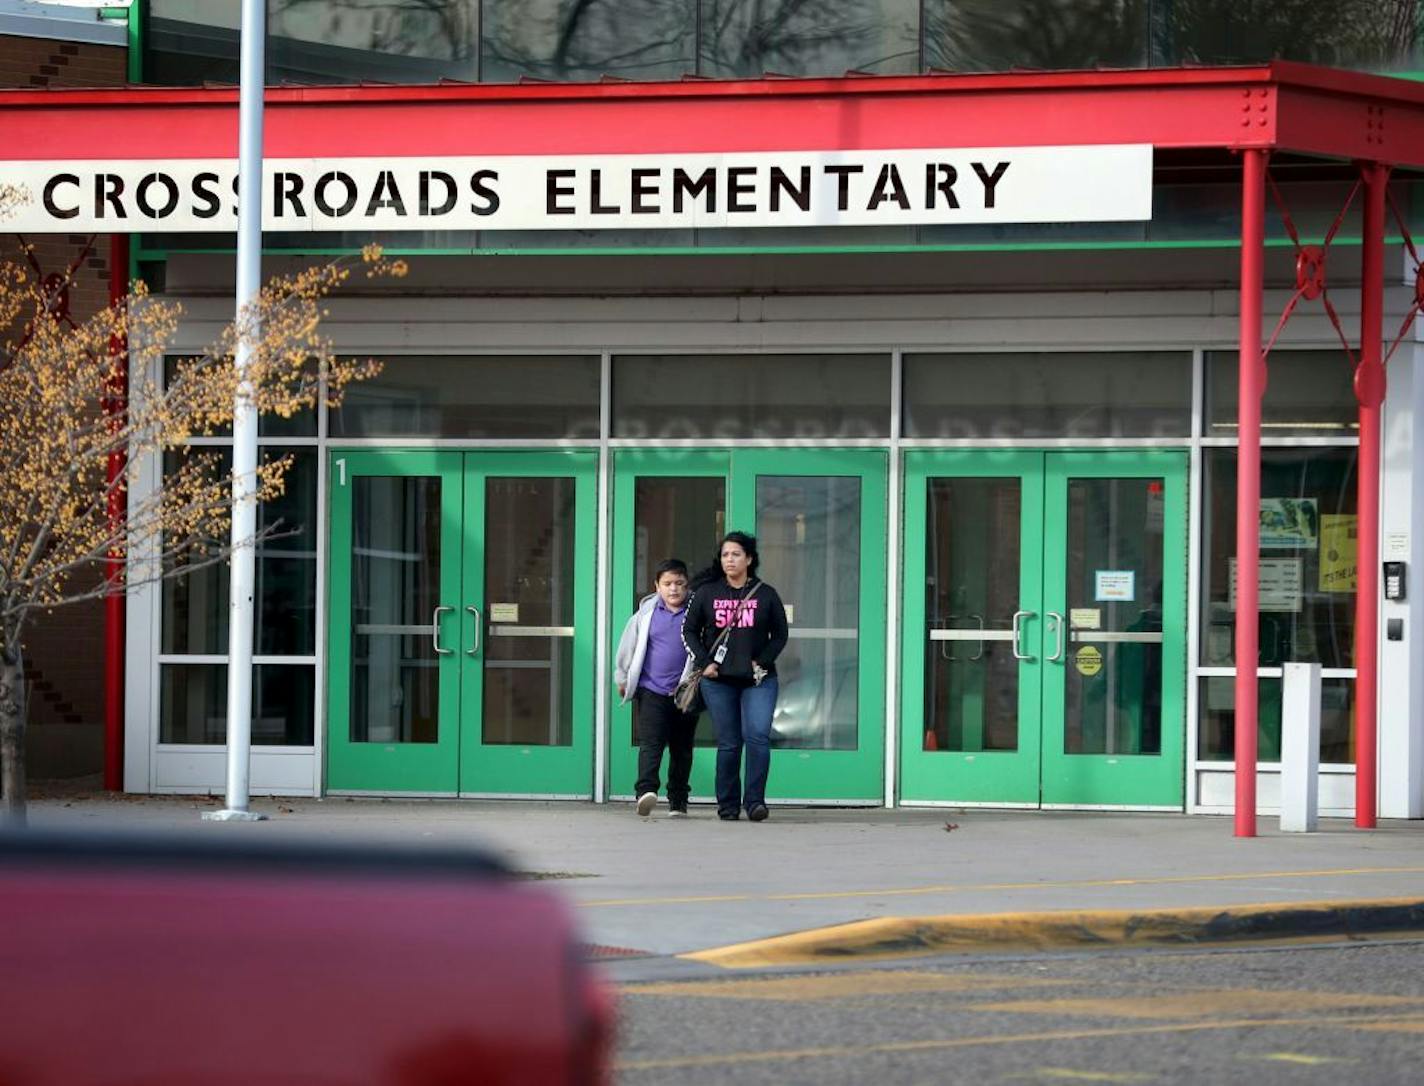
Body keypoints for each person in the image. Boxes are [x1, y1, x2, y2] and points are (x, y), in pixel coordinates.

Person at [681, 531, 788, 823]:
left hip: (759, 679)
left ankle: (755, 803)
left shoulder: (766, 593)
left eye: (736, 554)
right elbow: (688, 630)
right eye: (726, 554)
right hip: (718, 681)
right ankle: (727, 805)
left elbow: (780, 634)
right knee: (729, 742)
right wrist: (705, 664)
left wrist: (761, 660)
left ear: (749, 559)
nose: (730, 559)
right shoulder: (707, 593)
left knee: (757, 737)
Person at [613, 558, 699, 818]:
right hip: (652, 690)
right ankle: (646, 792)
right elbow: (628, 646)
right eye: (668, 584)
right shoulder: (645, 614)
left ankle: (678, 800)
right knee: (651, 743)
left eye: (679, 584)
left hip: (686, 692)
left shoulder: (696, 613)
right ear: (657, 586)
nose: (674, 589)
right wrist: (622, 676)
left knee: (682, 748)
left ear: (687, 585)